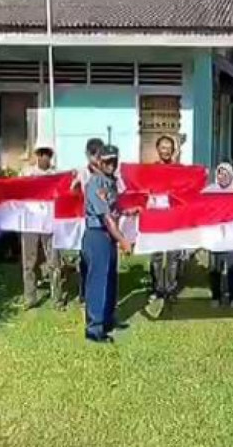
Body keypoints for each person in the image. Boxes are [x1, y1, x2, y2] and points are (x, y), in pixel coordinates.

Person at [81, 144, 134, 343]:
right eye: (108, 161)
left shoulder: (110, 183)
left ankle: (108, 319)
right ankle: (94, 328)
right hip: (97, 235)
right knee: (98, 281)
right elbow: (106, 217)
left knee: (111, 279)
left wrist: (130, 211)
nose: (112, 164)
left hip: (107, 237)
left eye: (114, 160)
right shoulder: (96, 183)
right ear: (99, 162)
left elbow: (115, 211)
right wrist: (123, 241)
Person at [20, 144, 63, 310]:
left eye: (48, 154)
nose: (45, 157)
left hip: (49, 223)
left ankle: (57, 299)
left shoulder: (55, 175)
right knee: (29, 262)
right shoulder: (27, 173)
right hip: (30, 223)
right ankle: (30, 297)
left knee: (54, 262)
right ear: (37, 155)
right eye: (42, 153)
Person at [203, 163, 233, 308]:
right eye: (219, 174)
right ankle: (216, 296)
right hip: (215, 236)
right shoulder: (209, 192)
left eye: (225, 174)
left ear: (231, 175)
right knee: (215, 268)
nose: (222, 177)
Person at [149, 135, 184, 302]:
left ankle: (170, 289)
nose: (166, 151)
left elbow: (186, 189)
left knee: (172, 256)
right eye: (163, 147)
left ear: (173, 150)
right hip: (155, 216)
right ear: (158, 150)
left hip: (173, 217)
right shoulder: (151, 170)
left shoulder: (178, 170)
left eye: (169, 148)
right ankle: (157, 288)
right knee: (156, 255)